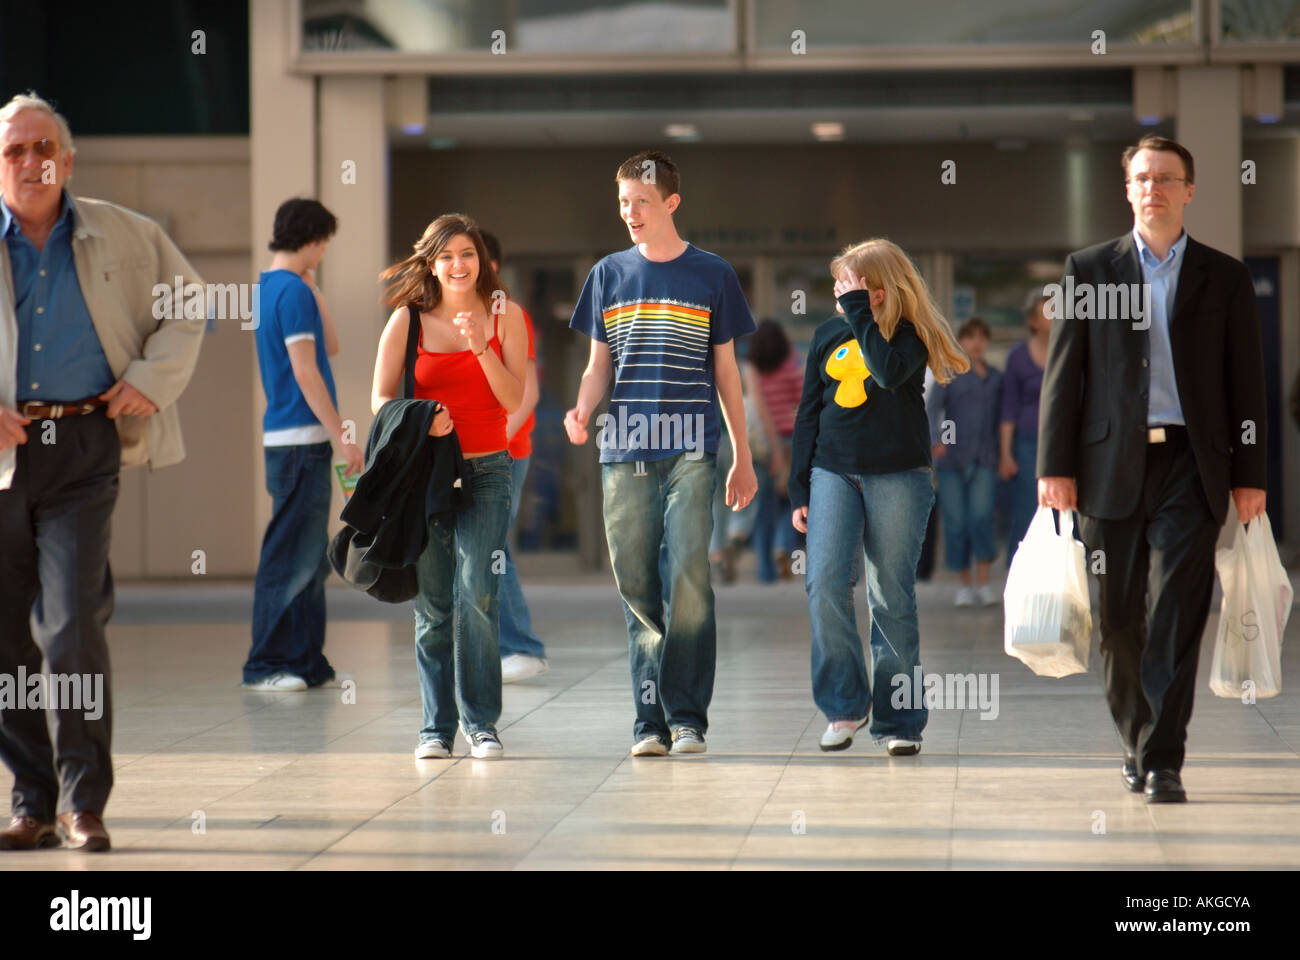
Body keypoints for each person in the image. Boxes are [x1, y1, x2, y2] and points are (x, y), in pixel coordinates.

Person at [0, 92, 206, 851]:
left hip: (85, 447)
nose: (30, 161)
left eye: (43, 146)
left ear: (68, 158)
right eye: (14, 149)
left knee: (72, 626)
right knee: (3, 640)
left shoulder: (127, 233)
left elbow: (190, 304)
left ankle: (84, 801)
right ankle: (32, 801)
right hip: (0, 454)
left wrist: (153, 374)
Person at [1038, 134, 1268, 803]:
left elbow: (1246, 383)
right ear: (1128, 189)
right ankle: (1138, 737)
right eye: (1143, 178)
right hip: (1108, 466)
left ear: (1189, 190)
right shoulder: (1088, 270)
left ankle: (1163, 759)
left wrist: (1249, 475)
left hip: (1192, 468)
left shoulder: (1223, 277)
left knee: (1177, 610)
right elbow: (1064, 377)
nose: (1154, 189)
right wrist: (1053, 467)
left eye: (1167, 178)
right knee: (1115, 618)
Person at [565, 150, 757, 757]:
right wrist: (581, 408)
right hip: (624, 453)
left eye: (640, 202)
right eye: (623, 202)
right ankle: (648, 721)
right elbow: (600, 366)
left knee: (690, 579)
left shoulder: (712, 275)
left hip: (692, 449)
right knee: (638, 586)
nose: (630, 213)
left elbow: (727, 373)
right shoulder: (607, 275)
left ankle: (688, 717)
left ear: (671, 202)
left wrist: (743, 455)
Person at [790, 238, 968, 755]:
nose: (839, 293)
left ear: (881, 289)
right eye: (837, 284)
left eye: (850, 283)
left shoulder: (911, 334)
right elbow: (807, 415)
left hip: (899, 476)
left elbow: (888, 372)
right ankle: (844, 706)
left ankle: (898, 722)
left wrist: (859, 315)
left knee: (890, 597)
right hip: (833, 472)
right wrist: (799, 486)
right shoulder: (826, 335)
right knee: (824, 583)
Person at [372, 214, 526, 760]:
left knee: (478, 593)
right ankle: (435, 726)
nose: (458, 265)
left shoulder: (507, 316)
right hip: (428, 475)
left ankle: (480, 722)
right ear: (431, 263)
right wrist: (422, 418)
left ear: (482, 260)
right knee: (434, 604)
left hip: (487, 470)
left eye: (467, 253)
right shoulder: (406, 321)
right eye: (447, 256)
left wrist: (482, 346)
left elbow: (512, 401)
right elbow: (380, 399)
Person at [243, 199, 363, 692]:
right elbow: (307, 370)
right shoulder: (290, 291)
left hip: (292, 440)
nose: (325, 252)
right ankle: (268, 665)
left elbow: (329, 345)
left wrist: (316, 291)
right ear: (314, 240)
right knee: (289, 555)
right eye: (324, 244)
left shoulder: (276, 287)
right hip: (300, 439)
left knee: (309, 557)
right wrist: (343, 436)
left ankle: (308, 662)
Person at [480, 231, 548, 683]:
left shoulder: (508, 315)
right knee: (484, 547)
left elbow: (528, 393)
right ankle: (500, 647)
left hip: (505, 450)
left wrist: (493, 442)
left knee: (494, 546)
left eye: (472, 257)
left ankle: (520, 645)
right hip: (473, 451)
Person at [926, 316, 1002, 606]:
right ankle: (964, 584)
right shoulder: (949, 373)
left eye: (982, 337)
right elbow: (933, 409)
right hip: (953, 460)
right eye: (970, 337)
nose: (976, 343)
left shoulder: (995, 377)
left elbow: (1002, 419)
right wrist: (938, 440)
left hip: (984, 456)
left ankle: (984, 582)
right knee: (956, 522)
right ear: (961, 341)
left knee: (981, 517)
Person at [750, 320, 804, 582]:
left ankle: (765, 571)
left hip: (761, 444)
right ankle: (784, 545)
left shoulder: (753, 371)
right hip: (791, 441)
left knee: (763, 510)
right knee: (790, 502)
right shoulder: (790, 366)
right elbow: (803, 401)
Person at [999, 291, 1051, 565]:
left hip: (1063, 441)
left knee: (1065, 511)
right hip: (1027, 441)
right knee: (1027, 508)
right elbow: (1009, 407)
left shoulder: (1071, 349)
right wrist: (1006, 454)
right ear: (1033, 321)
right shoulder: (1017, 356)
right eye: (1048, 311)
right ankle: (1018, 571)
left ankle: (1060, 577)